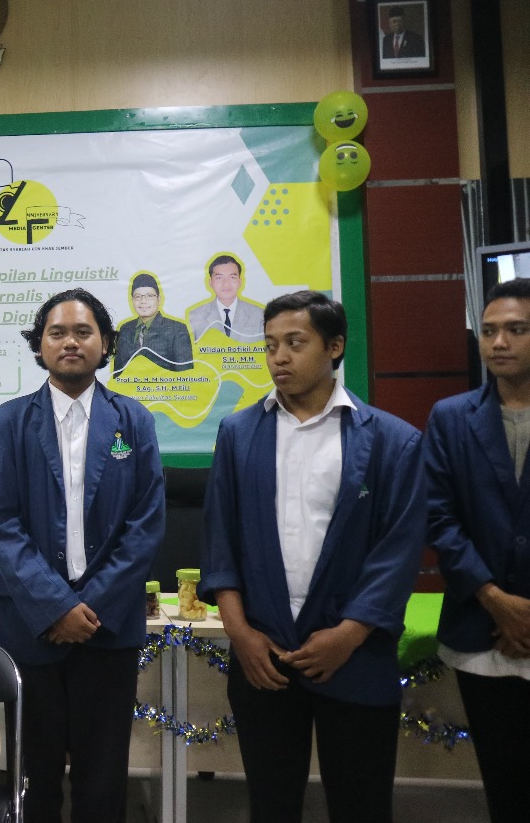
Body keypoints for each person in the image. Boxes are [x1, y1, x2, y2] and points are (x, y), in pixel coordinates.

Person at [199, 290, 425, 823]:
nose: (278, 357)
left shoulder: (393, 440)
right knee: (272, 806)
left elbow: (398, 551)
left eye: (295, 343)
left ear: (335, 347)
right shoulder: (238, 434)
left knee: (361, 805)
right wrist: (240, 634)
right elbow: (220, 541)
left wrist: (349, 634)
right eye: (270, 345)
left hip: (354, 655)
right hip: (264, 656)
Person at [0, 288, 165, 823]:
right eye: (57, 332)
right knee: (33, 782)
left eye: (83, 332)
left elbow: (145, 525)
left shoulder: (135, 420)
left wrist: (91, 607)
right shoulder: (8, 421)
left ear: (105, 344)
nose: (70, 342)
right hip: (30, 629)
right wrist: (56, 607)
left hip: (107, 632)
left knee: (103, 783)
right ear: (39, 344)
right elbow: (3, 524)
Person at [424, 278, 530, 823]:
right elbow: (437, 517)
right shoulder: (451, 417)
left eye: (516, 329)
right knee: (504, 782)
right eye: (488, 331)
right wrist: (496, 600)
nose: (499, 342)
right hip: (480, 629)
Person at [112, 272, 193, 374]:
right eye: (138, 296)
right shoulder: (125, 329)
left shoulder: (177, 329)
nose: (143, 301)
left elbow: (185, 375)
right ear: (132, 300)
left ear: (159, 299)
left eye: (149, 296)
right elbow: (117, 375)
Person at [186, 253, 265, 342]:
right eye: (219, 278)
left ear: (240, 282)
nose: (226, 284)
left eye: (232, 277)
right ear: (210, 283)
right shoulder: (195, 316)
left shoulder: (259, 315)